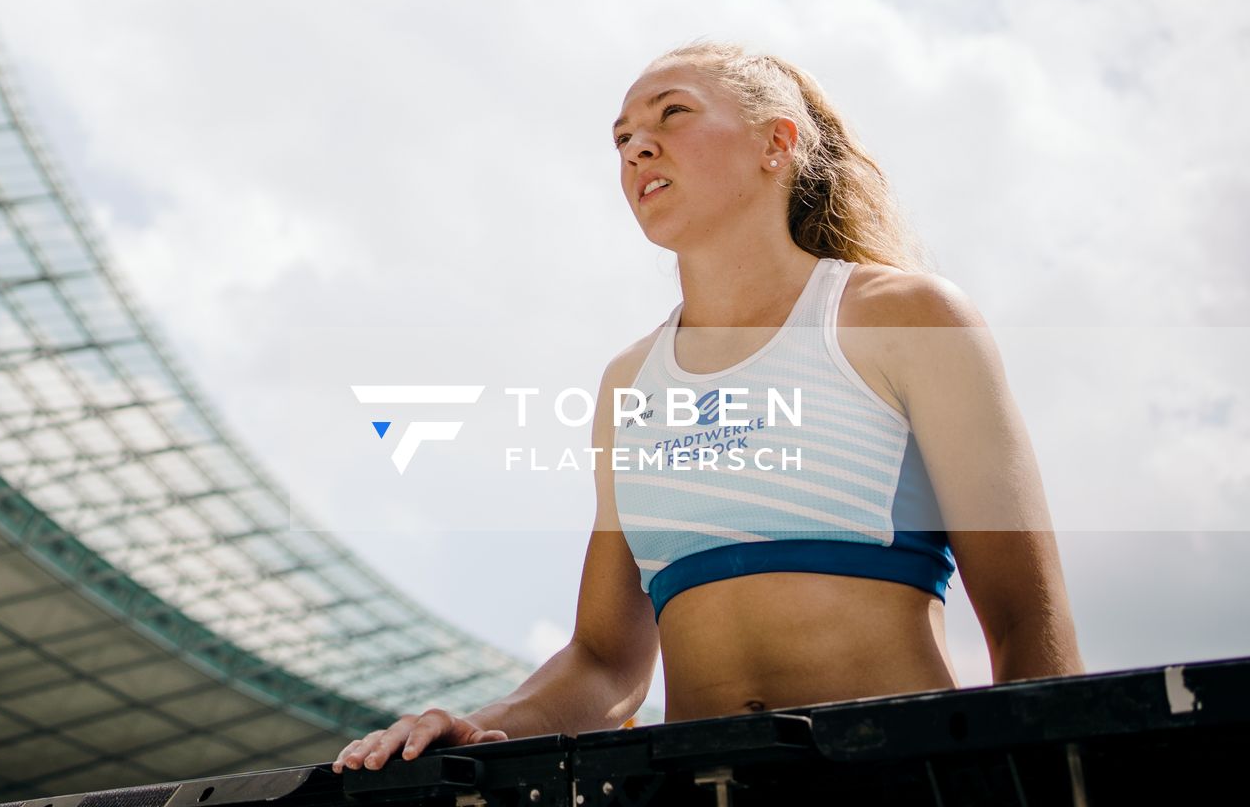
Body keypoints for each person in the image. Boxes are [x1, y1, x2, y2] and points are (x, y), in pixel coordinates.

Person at [332, 40, 1084, 772]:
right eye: (622, 136)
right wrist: (477, 724)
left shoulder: (906, 318)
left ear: (776, 144)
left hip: (900, 783)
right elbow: (604, 663)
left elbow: (1027, 625)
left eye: (672, 115)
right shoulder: (628, 382)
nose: (636, 148)